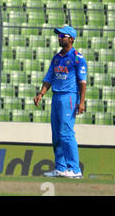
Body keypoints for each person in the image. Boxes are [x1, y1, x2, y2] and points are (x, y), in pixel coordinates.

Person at [34, 25, 87, 179]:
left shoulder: (77, 57)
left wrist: (81, 102)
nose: (59, 38)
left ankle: (75, 169)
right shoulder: (57, 58)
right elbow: (49, 77)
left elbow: (82, 82)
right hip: (56, 97)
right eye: (58, 35)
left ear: (71, 39)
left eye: (62, 36)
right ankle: (61, 168)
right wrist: (41, 94)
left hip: (69, 97)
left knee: (66, 133)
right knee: (57, 135)